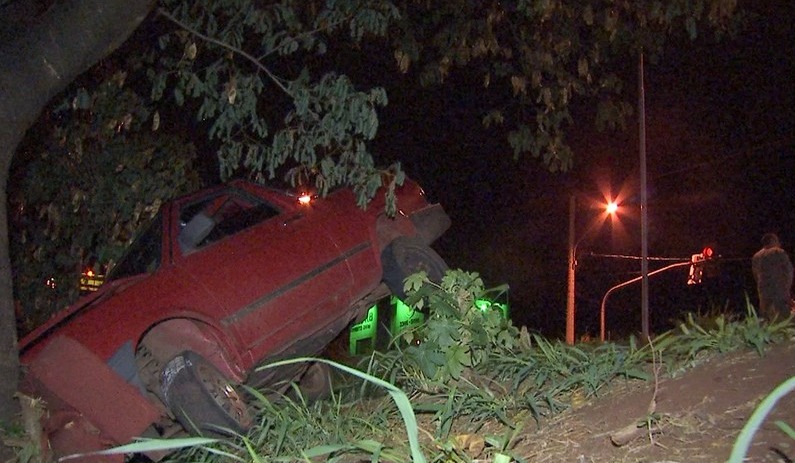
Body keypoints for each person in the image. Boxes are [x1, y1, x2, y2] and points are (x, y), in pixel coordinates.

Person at [751, 233, 794, 320]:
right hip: (779, 289)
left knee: (766, 315)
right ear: (773, 241)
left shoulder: (756, 256)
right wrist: (787, 287)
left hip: (763, 290)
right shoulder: (779, 252)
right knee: (782, 315)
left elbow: (755, 274)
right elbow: (789, 270)